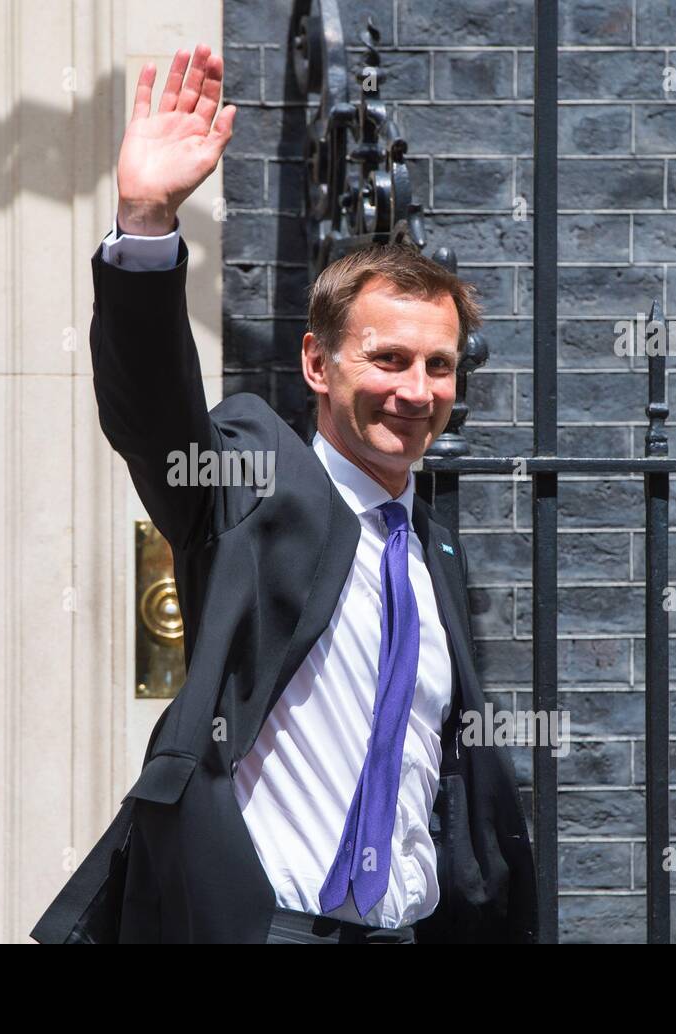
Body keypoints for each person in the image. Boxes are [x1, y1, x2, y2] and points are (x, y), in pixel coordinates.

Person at [31, 42, 537, 944]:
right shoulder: (255, 478)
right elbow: (155, 418)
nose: (415, 391)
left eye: (439, 367)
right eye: (387, 359)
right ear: (317, 362)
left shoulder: (429, 549)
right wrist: (146, 219)